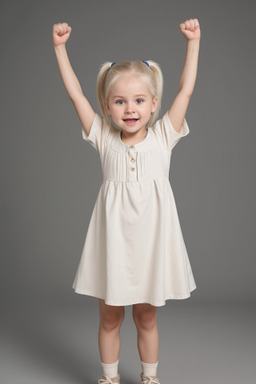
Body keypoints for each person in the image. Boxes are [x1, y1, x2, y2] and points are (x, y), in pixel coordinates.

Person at [52, 18, 200, 384]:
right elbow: (75, 95)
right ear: (107, 105)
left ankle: (150, 378)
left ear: (153, 105)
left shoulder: (164, 135)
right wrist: (60, 49)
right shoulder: (102, 136)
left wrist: (193, 43)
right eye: (120, 101)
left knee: (147, 317)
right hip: (113, 241)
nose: (130, 109)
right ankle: (110, 378)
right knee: (109, 316)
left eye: (138, 101)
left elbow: (185, 92)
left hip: (151, 242)